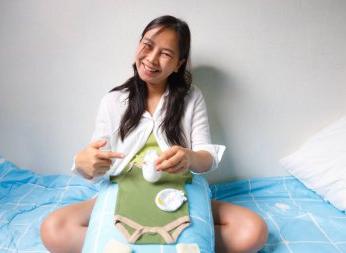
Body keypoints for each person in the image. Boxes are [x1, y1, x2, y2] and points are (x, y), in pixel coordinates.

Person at [40, 15, 268, 253]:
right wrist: (82, 163)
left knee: (253, 230)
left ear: (179, 63)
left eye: (165, 53)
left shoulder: (191, 98)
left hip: (179, 191)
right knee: (53, 228)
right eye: (147, 45)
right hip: (124, 188)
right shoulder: (113, 101)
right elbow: (96, 162)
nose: (151, 58)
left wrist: (190, 157)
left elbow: (206, 157)